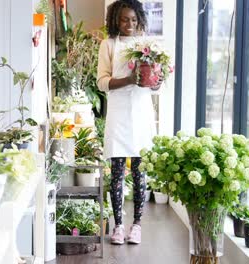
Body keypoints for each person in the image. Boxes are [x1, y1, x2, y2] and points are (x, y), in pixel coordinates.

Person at [97, 0, 162, 245]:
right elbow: (102, 82)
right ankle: (117, 227)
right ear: (116, 20)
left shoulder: (146, 45)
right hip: (119, 112)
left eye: (134, 20)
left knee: (139, 172)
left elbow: (155, 85)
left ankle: (137, 226)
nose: (130, 24)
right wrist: (128, 79)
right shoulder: (109, 45)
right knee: (116, 173)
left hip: (142, 112)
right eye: (125, 19)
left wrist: (156, 80)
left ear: (140, 20)